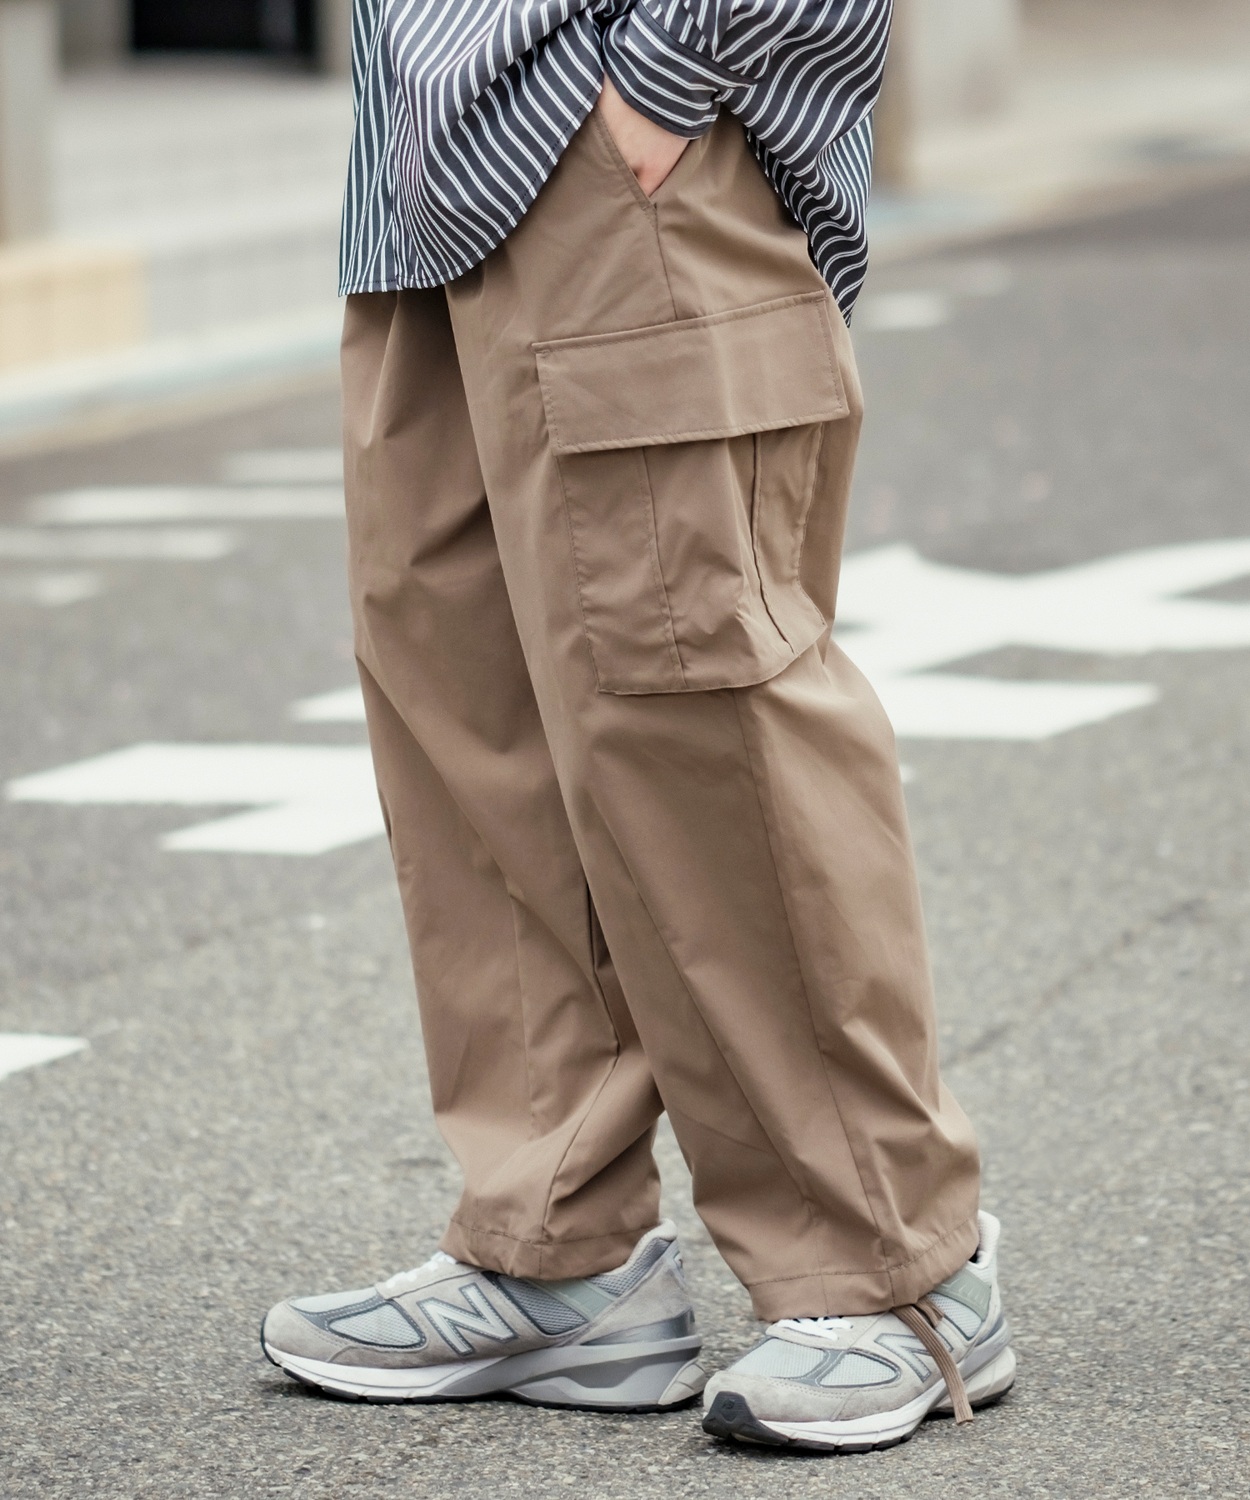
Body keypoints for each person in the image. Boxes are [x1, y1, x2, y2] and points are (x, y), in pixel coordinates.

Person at [259, 0, 1015, 1451]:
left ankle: (896, 1266)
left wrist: (676, 68)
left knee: (696, 707)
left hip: (620, 122)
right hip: (425, 159)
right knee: (470, 716)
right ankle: (557, 1245)